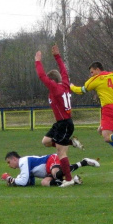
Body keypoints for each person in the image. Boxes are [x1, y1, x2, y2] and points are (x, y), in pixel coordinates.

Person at [35, 44, 84, 187]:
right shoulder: (65, 84)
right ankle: (71, 142)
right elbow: (64, 71)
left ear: (53, 82)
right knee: (45, 141)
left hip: (65, 123)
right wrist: (57, 56)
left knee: (61, 153)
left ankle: (68, 179)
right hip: (60, 123)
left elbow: (41, 76)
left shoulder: (55, 88)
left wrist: (38, 61)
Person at [2, 151, 100, 187]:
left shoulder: (23, 161)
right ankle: (73, 180)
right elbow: (28, 183)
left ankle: (84, 162)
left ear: (14, 159)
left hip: (50, 159)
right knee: (44, 183)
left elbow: (22, 182)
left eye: (8, 162)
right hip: (47, 171)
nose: (9, 165)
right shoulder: (23, 166)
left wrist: (8, 178)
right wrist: (13, 182)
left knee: (56, 174)